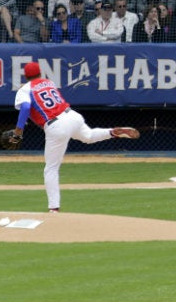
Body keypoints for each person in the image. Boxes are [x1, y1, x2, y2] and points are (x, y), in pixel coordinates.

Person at [10, 62, 139, 213]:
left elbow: (25, 108)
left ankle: (54, 208)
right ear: (40, 73)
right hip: (72, 115)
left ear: (25, 76)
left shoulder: (24, 90)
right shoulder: (49, 83)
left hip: (56, 125)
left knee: (51, 168)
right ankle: (111, 132)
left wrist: (18, 132)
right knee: (89, 136)